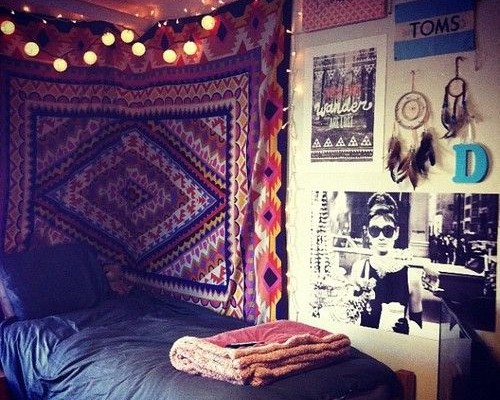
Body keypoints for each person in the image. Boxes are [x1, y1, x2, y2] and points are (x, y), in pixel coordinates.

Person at [349, 192, 423, 334]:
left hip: (395, 345)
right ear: (367, 233)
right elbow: (351, 314)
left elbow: (418, 325)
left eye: (387, 230)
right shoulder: (359, 268)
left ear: (396, 232)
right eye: (375, 230)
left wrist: (408, 327)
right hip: (364, 342)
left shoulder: (411, 277)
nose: (381, 237)